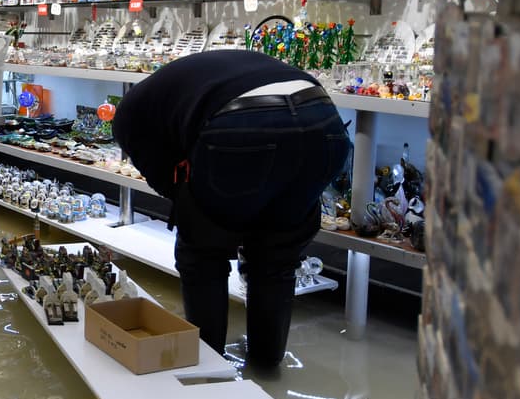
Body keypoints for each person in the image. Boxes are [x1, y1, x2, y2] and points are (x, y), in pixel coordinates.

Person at [113, 50, 351, 368]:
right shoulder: (178, 86)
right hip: (324, 124)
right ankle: (267, 362)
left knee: (203, 253)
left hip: (243, 125)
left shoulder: (128, 119)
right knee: (277, 255)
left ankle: (208, 364)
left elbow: (165, 178)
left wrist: (196, 212)